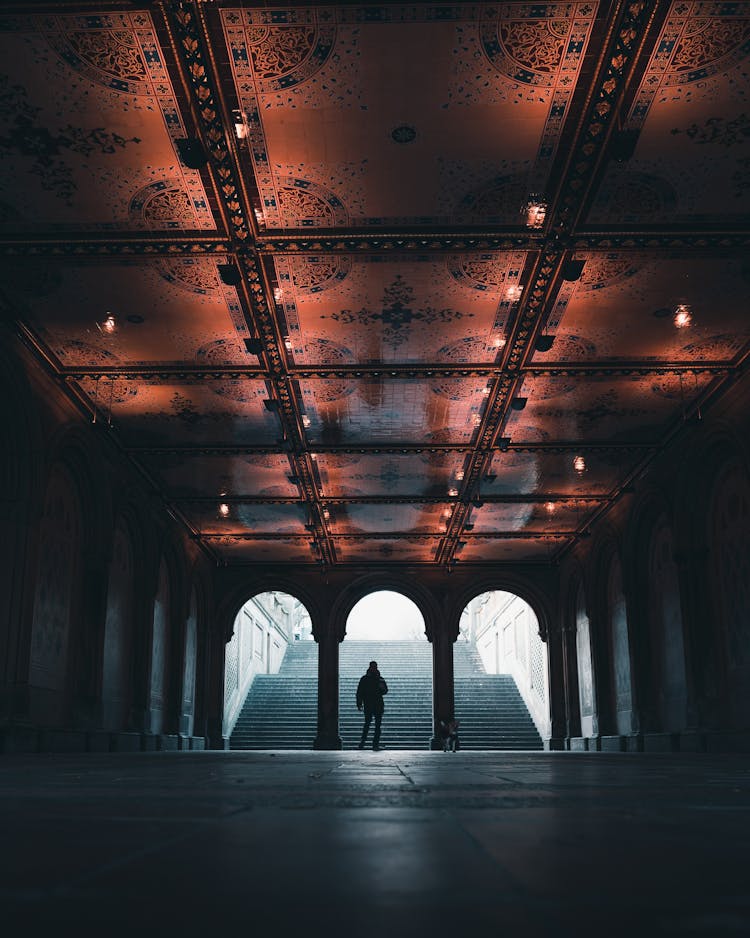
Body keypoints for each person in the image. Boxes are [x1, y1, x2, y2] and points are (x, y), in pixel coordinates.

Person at [356, 660, 388, 750]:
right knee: (375, 725)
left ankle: (364, 743)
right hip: (376, 704)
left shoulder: (367, 679)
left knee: (369, 724)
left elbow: (359, 692)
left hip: (370, 704)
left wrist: (359, 703)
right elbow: (385, 691)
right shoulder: (377, 678)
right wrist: (359, 703)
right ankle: (373, 744)